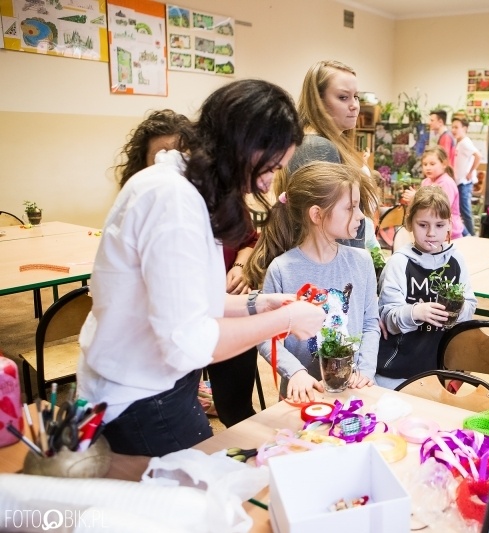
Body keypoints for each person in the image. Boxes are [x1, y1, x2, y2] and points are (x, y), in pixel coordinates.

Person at [77, 79, 326, 457]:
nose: (269, 181)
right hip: (142, 397)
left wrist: (261, 304)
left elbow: (194, 300)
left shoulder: (188, 188)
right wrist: (287, 320)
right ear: (243, 148)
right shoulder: (172, 201)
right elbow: (187, 343)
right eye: (271, 167)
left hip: (153, 385)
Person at [115, 110, 262, 428]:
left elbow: (250, 240)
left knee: (234, 407)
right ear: (143, 167)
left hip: (225, 309)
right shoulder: (150, 211)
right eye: (161, 159)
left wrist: (239, 265)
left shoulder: (219, 199)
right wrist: (279, 316)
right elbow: (180, 323)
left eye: (180, 157)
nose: (173, 169)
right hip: (176, 341)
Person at [245, 60, 379, 288]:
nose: (355, 105)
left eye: (356, 96)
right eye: (343, 97)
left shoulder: (327, 143)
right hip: (326, 274)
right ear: (318, 102)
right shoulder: (317, 147)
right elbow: (328, 224)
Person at [257, 162, 379, 403]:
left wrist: (365, 370)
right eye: (351, 208)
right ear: (317, 214)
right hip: (303, 396)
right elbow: (266, 336)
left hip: (354, 389)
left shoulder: (362, 261)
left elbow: (370, 323)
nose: (361, 215)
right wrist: (296, 372)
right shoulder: (281, 269)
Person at [375, 186, 478, 389]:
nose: (431, 233)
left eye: (440, 225)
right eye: (423, 225)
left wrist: (457, 311)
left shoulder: (456, 260)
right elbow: (387, 317)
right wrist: (416, 312)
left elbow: (470, 305)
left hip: (439, 369)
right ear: (410, 223)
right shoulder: (399, 262)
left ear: (449, 225)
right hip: (397, 372)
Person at [403, 147, 464, 240]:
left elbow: (441, 208)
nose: (428, 167)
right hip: (431, 231)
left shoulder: (446, 183)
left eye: (432, 164)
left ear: (444, 164)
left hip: (449, 233)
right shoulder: (425, 182)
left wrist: (416, 198)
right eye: (425, 164)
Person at [451, 116, 481, 236]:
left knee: (465, 211)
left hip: (465, 183)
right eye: (452, 127)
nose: (453, 130)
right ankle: (466, 234)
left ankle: (471, 236)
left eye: (456, 127)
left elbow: (478, 156)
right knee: (460, 211)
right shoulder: (460, 143)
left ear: (465, 128)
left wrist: (470, 172)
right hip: (460, 182)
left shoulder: (465, 143)